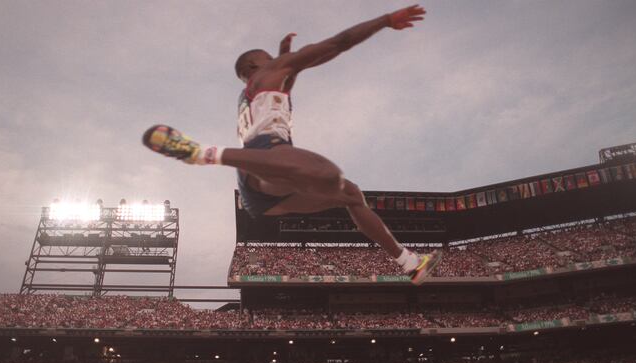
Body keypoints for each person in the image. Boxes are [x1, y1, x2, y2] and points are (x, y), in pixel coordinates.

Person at [143, 4, 440, 284]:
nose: (277, 61)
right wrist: (385, 20)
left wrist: (284, 56)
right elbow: (338, 43)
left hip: (262, 188)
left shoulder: (255, 88)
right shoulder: (270, 72)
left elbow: (286, 79)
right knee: (327, 174)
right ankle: (203, 153)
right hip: (266, 154)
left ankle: (409, 263)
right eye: (269, 58)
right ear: (254, 64)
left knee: (351, 194)